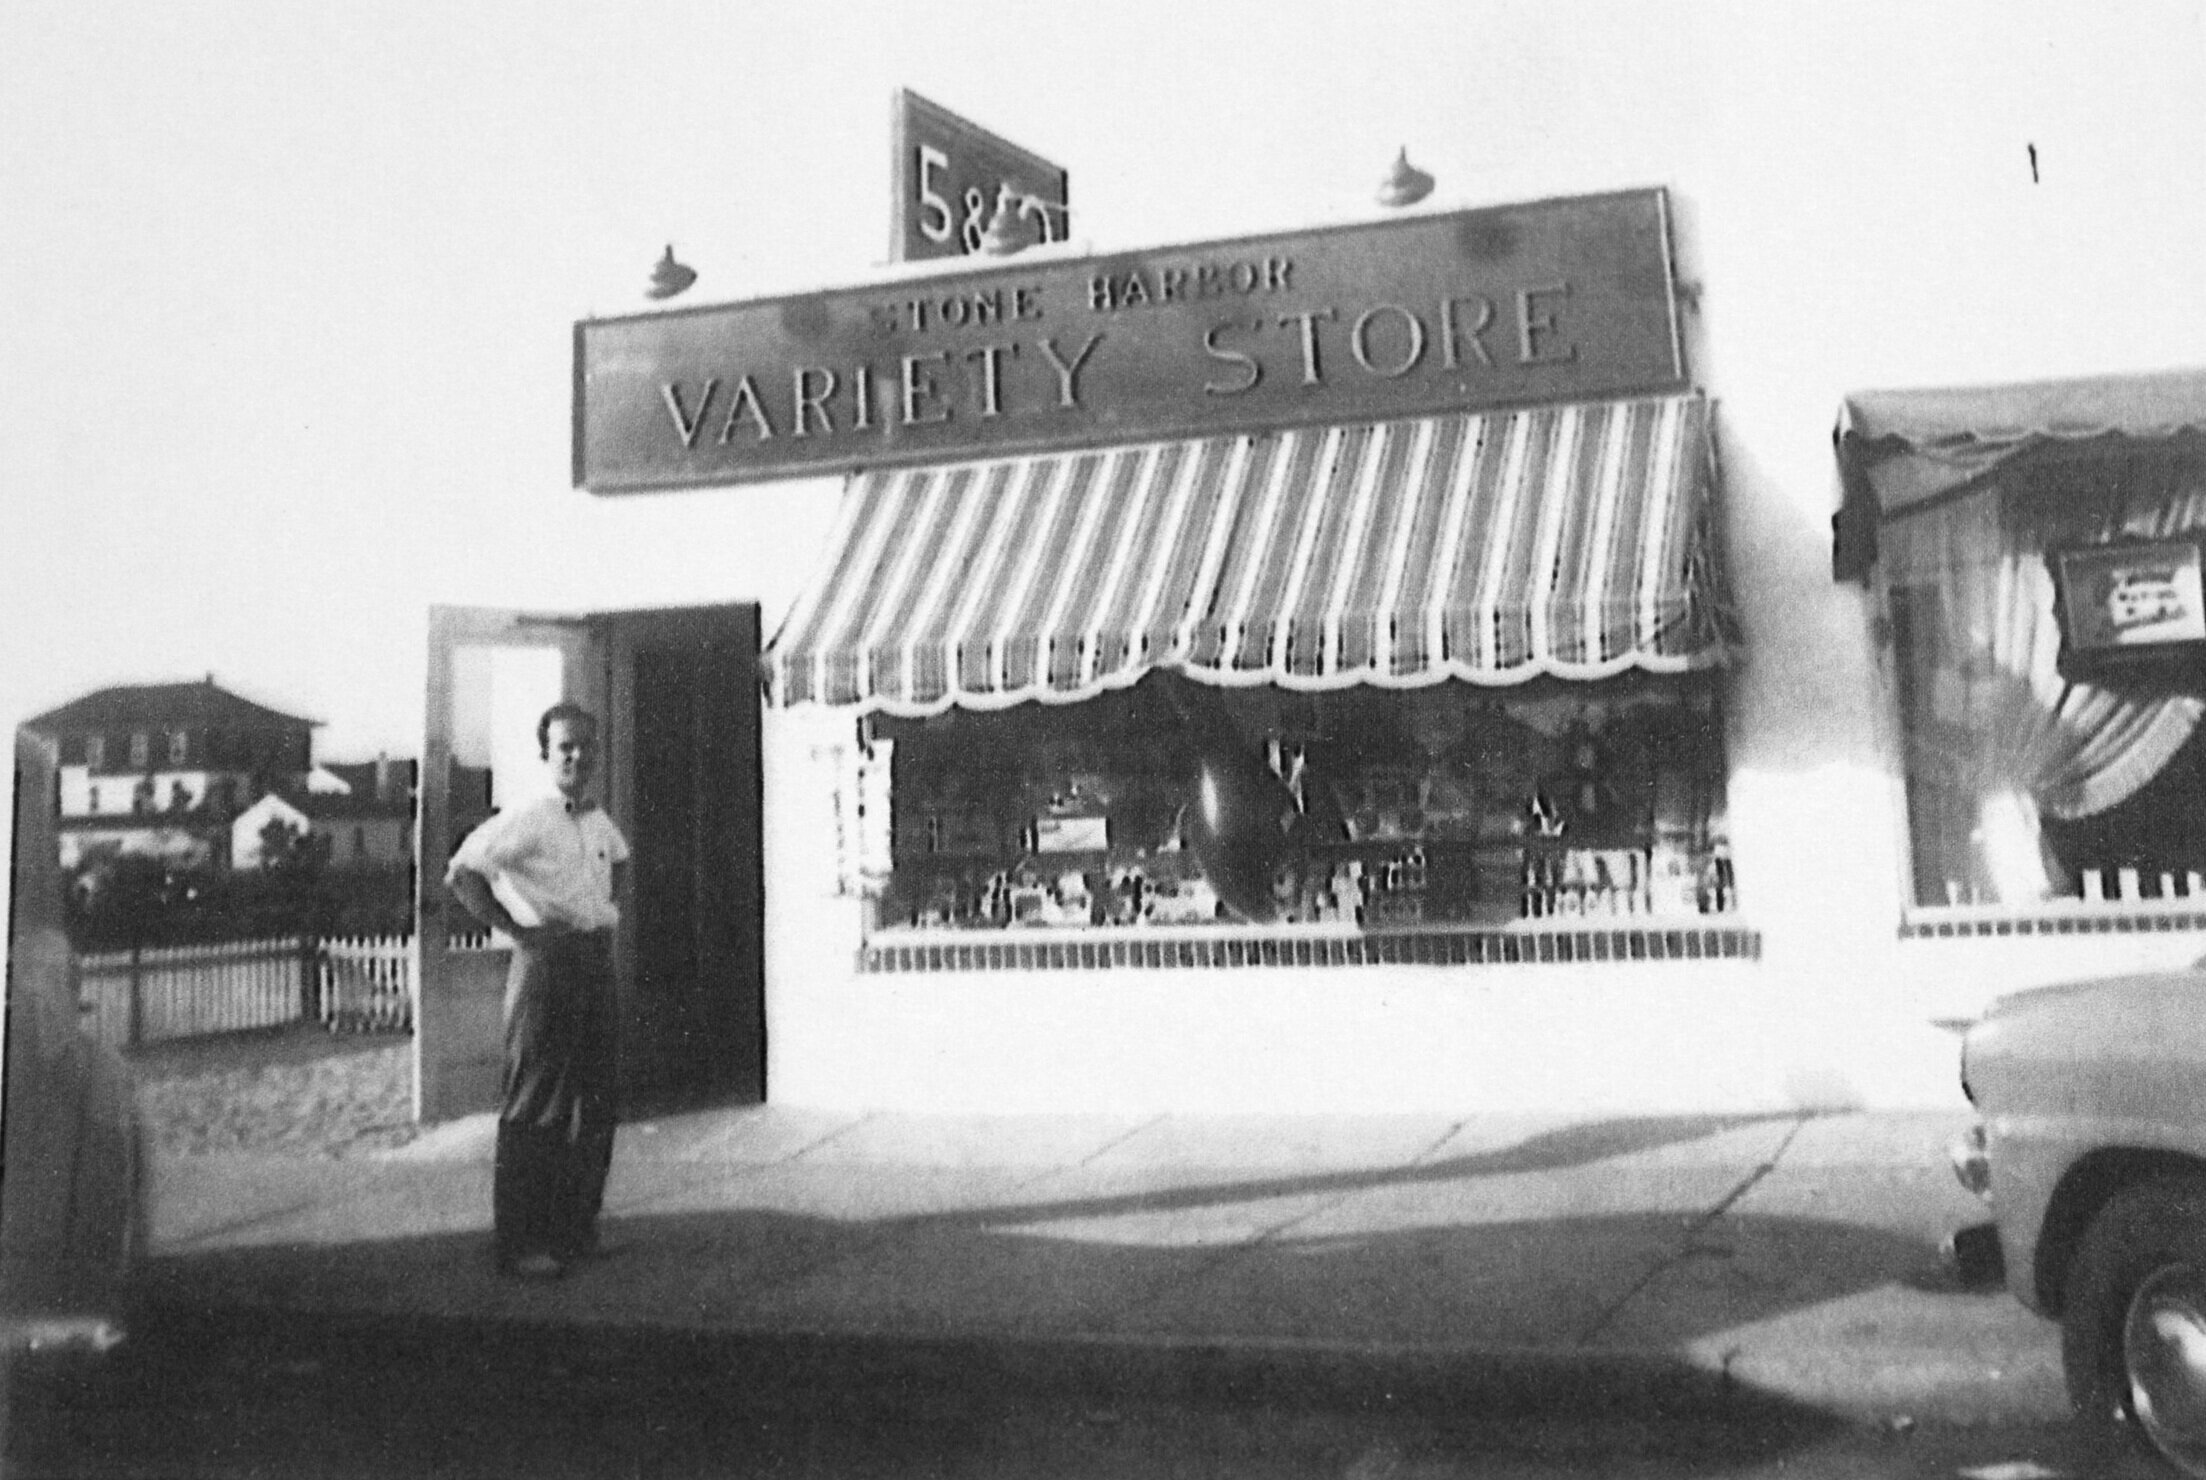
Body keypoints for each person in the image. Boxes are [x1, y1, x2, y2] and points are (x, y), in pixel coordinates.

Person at [445, 701, 630, 1281]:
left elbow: (618, 863)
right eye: (565, 746)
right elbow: (463, 873)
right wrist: (522, 930)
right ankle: (521, 1244)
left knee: (597, 1099)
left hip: (593, 961)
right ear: (546, 754)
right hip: (547, 966)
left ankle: (576, 1230)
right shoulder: (530, 815)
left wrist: (602, 913)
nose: (576, 755)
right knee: (537, 1103)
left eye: (585, 746)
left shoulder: (599, 823)